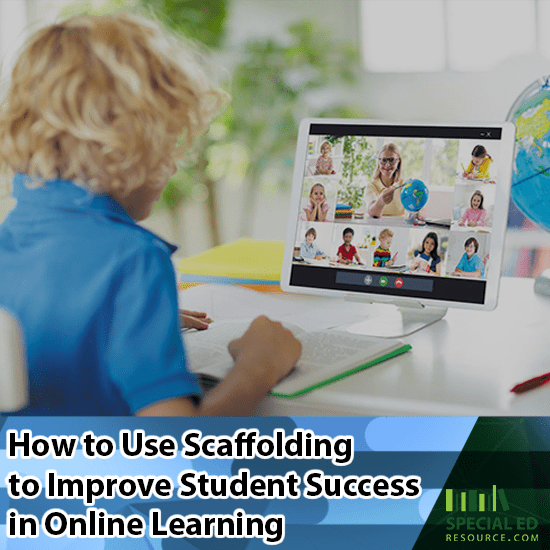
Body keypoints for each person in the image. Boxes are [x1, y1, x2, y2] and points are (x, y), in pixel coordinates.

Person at [0, 14, 301, 416]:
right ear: (123, 146)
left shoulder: (13, 235)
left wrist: (126, 318)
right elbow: (174, 451)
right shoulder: (133, 259)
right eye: (168, 146)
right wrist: (259, 365)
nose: (173, 167)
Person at [365, 143, 405, 218]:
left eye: (392, 160)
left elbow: (418, 210)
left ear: (398, 162)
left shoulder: (404, 185)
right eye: (383, 160)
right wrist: (380, 202)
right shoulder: (371, 186)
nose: (387, 165)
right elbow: (372, 212)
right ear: (379, 162)